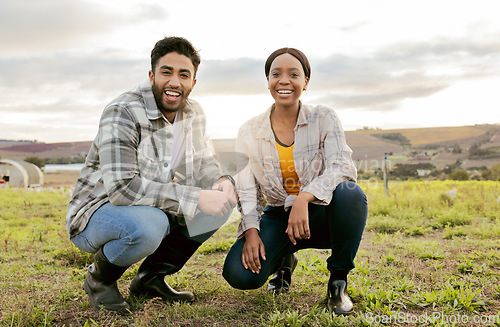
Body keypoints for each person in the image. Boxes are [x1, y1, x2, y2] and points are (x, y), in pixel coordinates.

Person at [66, 36, 237, 313]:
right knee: (151, 225)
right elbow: (123, 190)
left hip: (151, 205)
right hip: (96, 212)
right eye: (166, 72)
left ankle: (149, 278)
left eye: (184, 75)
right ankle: (100, 279)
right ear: (151, 75)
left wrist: (221, 181)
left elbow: (204, 162)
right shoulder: (122, 111)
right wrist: (194, 197)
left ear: (193, 82)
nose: (174, 82)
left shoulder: (194, 113)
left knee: (219, 204)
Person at [222, 48, 367, 315]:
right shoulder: (249, 130)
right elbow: (246, 188)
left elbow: (342, 166)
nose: (284, 81)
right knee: (240, 275)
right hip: (278, 216)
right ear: (268, 81)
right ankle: (283, 262)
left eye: (293, 74)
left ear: (306, 81)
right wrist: (251, 232)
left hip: (321, 214)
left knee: (350, 193)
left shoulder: (324, 117)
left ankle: (338, 282)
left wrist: (305, 197)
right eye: (276, 74)